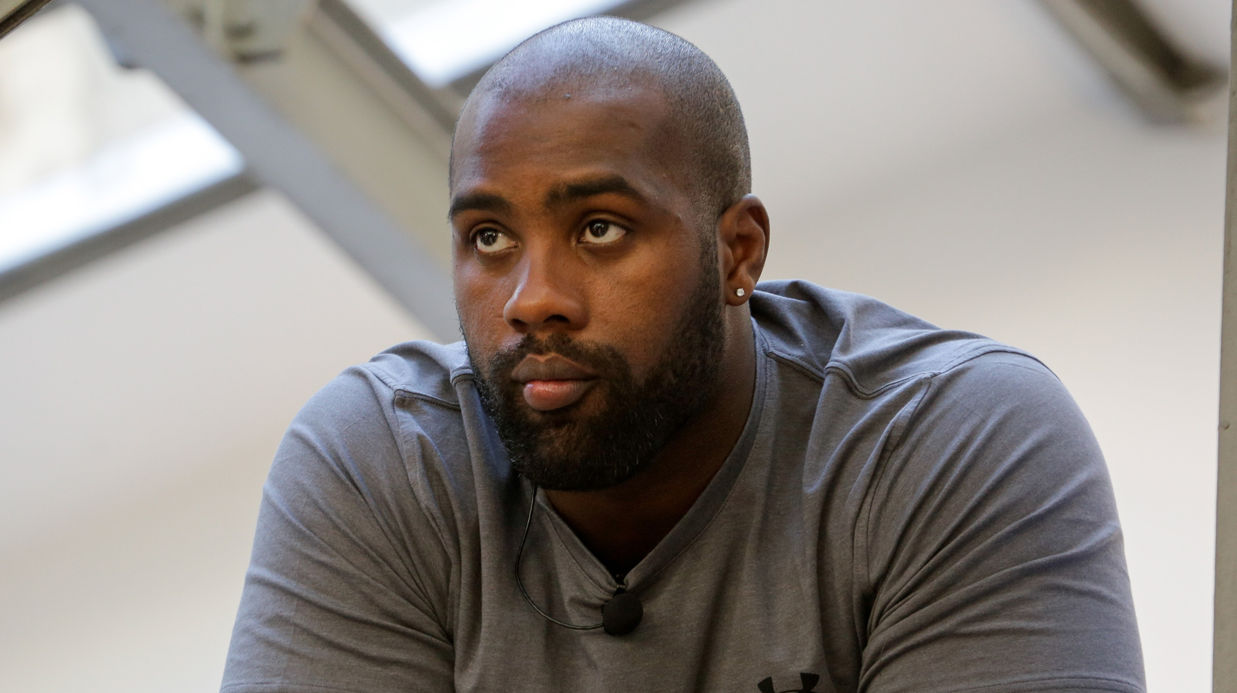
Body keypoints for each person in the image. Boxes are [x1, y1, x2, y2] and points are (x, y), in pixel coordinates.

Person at [221, 16, 1144, 692]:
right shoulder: (382, 464)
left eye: (600, 227)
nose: (532, 298)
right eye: (491, 238)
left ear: (737, 251)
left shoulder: (947, 436)